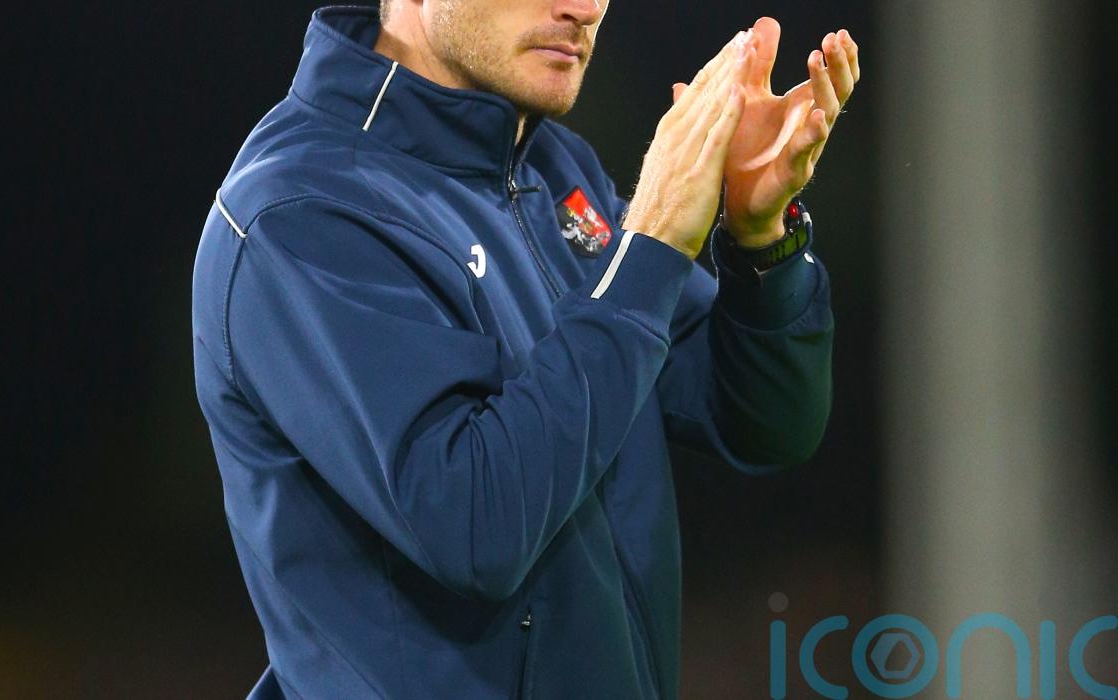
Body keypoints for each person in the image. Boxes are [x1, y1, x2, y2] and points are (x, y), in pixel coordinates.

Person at [192, 1, 859, 697]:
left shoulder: (547, 167)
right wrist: (653, 243)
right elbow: (476, 527)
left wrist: (761, 242)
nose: (585, 7)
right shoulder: (299, 213)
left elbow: (765, 421)